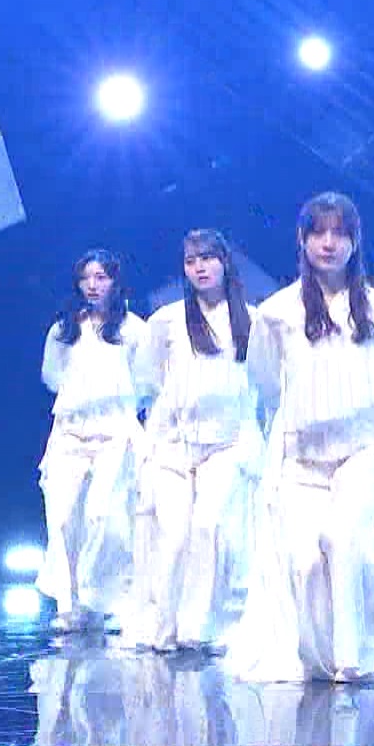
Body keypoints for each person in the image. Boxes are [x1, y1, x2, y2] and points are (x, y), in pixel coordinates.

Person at [223, 192, 374, 683]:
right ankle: (321, 658)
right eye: (319, 233)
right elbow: (265, 386)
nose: (329, 243)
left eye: (340, 233)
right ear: (302, 240)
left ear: (354, 242)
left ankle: (355, 657)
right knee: (306, 562)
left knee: (344, 538)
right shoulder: (276, 313)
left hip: (363, 448)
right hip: (300, 457)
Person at [125, 229, 263, 652]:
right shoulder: (166, 320)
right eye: (191, 261)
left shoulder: (252, 320)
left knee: (209, 525)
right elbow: (147, 381)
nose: (200, 268)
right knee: (174, 536)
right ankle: (165, 623)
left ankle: (199, 626)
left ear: (225, 262)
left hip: (229, 440)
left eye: (207, 258)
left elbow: (265, 382)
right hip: (173, 443)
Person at [36, 249, 147, 632]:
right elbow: (52, 376)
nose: (93, 285)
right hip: (69, 431)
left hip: (115, 432)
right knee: (63, 518)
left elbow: (146, 381)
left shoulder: (133, 329)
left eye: (101, 277)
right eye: (86, 278)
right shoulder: (64, 329)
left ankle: (104, 598)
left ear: (115, 282)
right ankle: (69, 603)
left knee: (105, 516)